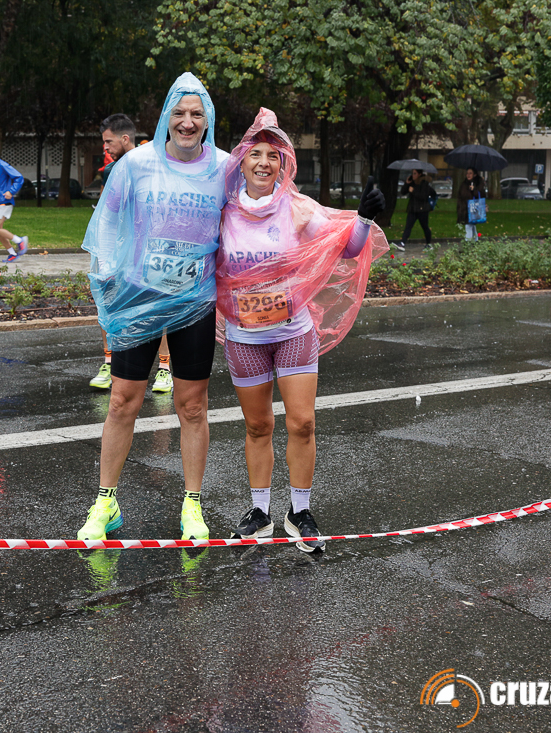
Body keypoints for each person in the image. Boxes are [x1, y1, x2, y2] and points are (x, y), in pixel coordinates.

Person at [215, 109, 388, 551]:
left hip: (293, 331)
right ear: (241, 162)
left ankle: (300, 511)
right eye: (255, 154)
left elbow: (346, 247)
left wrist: (364, 218)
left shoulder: (297, 208)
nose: (263, 163)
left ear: (283, 164)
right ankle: (259, 513)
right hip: (244, 337)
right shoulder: (223, 212)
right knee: (257, 426)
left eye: (272, 156)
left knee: (303, 423)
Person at [77, 73, 229, 542]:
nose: (187, 122)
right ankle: (105, 502)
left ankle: (192, 505)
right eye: (179, 113)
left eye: (196, 114)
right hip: (139, 297)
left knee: (192, 406)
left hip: (195, 302)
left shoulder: (224, 168)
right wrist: (108, 276)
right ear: (166, 116)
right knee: (122, 400)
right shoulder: (137, 163)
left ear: (207, 120)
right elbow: (106, 221)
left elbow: (257, 216)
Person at [88, 113, 173, 395]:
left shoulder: (153, 166)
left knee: (159, 309)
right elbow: (105, 214)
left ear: (126, 139)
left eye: (109, 142)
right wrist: (104, 255)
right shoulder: (111, 171)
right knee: (108, 305)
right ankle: (109, 363)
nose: (105, 147)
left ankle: (164, 368)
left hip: (149, 252)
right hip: (117, 251)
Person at [397, 169, 433, 250]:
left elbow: (423, 196)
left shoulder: (424, 184)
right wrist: (407, 183)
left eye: (415, 173)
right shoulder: (412, 183)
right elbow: (403, 192)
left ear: (419, 174)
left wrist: (413, 191)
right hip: (413, 209)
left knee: (425, 227)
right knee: (408, 226)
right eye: (412, 173)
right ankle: (402, 242)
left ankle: (428, 243)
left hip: (422, 210)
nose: (413, 175)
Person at [456, 167, 486, 241]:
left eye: (470, 173)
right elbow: (461, 196)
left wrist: (474, 190)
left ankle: (468, 242)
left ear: (474, 174)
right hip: (465, 208)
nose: (468, 175)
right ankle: (475, 241)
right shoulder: (464, 184)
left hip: (473, 208)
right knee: (471, 225)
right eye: (467, 173)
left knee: (469, 226)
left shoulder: (478, 183)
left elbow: (481, 195)